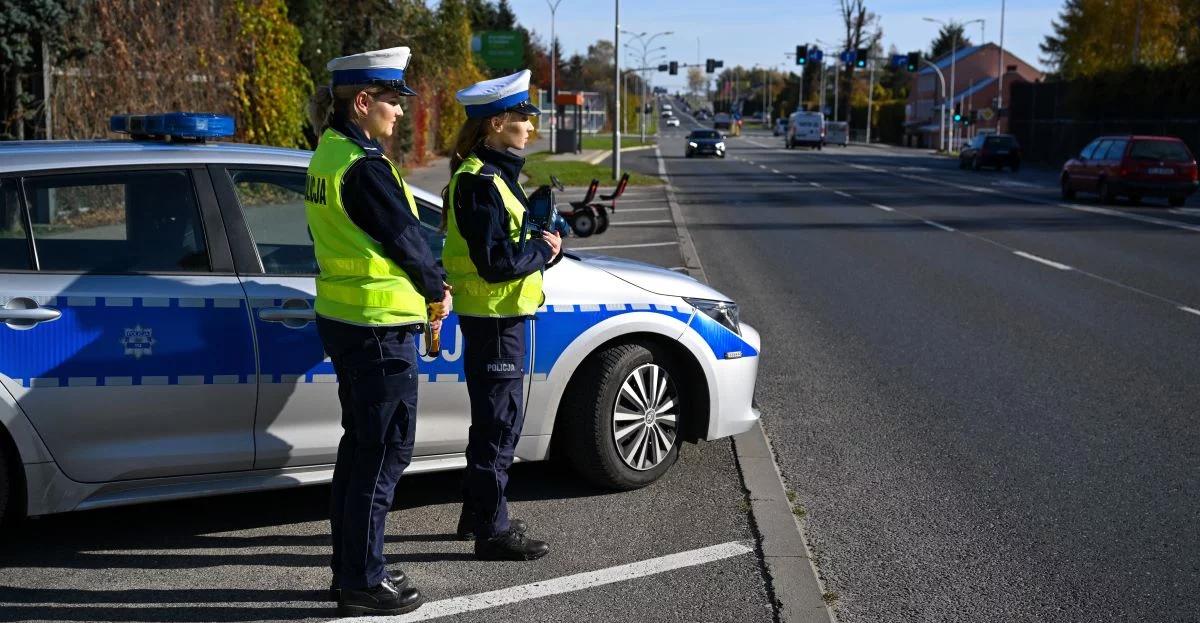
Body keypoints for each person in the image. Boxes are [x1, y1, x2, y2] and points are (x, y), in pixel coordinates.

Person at [305, 46, 450, 617]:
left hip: (348, 322)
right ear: (362, 102)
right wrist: (438, 289)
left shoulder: (330, 153)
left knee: (359, 450)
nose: (398, 111)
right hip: (376, 330)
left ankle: (351, 570)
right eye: (392, 100)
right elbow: (408, 241)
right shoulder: (363, 165)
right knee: (383, 453)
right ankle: (362, 579)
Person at [442, 69, 562, 561]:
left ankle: (476, 514)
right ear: (495, 124)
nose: (530, 127)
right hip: (494, 319)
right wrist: (543, 252)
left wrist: (538, 243)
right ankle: (493, 531)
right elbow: (496, 264)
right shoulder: (480, 183)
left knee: (492, 423)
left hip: (499, 318)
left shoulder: (492, 177)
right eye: (521, 118)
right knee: (499, 427)